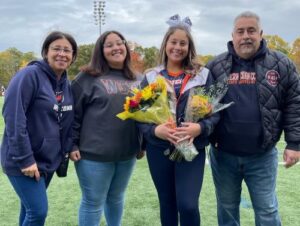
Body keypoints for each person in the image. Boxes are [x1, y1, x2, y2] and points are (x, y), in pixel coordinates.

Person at [206, 11, 300, 226]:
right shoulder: (215, 66)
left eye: (251, 30)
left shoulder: (281, 64)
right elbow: (203, 108)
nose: (246, 36)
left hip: (262, 155)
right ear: (232, 35)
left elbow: (294, 104)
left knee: (267, 210)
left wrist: (294, 143)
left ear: (261, 33)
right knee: (227, 209)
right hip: (224, 155)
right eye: (240, 31)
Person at [138, 15, 219, 226]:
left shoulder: (202, 75)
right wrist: (155, 132)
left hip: (191, 148)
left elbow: (216, 114)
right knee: (167, 203)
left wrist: (200, 128)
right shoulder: (151, 76)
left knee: (188, 204)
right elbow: (139, 116)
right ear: (165, 44)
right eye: (173, 42)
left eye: (183, 43)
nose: (178, 47)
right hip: (159, 149)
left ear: (189, 46)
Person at [0, 31, 78, 226]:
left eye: (67, 50)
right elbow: (14, 118)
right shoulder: (29, 75)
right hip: (24, 161)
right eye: (56, 49)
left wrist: (69, 147)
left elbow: (66, 120)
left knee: (28, 210)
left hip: (48, 161)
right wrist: (26, 159)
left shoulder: (66, 84)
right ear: (45, 52)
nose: (62, 54)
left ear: (73, 56)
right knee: (38, 212)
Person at [70, 30, 143, 226]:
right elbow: (72, 115)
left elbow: (144, 117)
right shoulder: (86, 78)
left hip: (126, 154)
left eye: (119, 43)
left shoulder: (138, 78)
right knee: (93, 203)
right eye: (109, 45)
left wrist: (141, 144)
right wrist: (72, 144)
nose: (116, 48)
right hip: (93, 156)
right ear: (100, 51)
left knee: (116, 198)